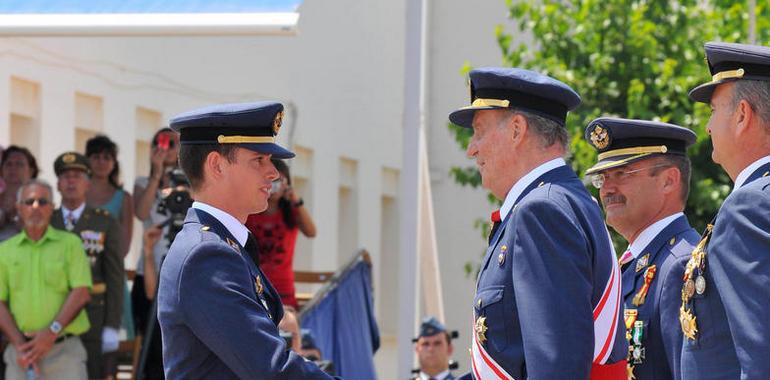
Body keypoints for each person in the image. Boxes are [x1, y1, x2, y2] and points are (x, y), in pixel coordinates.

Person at [448, 67, 626, 379]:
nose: (471, 148)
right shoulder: (558, 202)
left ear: (517, 129)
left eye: (479, 131)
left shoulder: (542, 212)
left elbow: (556, 367)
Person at [157, 101, 338, 379]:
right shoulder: (205, 256)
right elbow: (271, 368)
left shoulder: (223, 245)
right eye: (259, 160)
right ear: (216, 165)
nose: (273, 173)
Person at [679, 42, 770, 379]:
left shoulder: (750, 207)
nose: (708, 127)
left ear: (743, 114)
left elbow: (762, 357)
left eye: (713, 110)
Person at [584, 117, 699, 379]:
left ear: (669, 180)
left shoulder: (681, 264)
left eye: (623, 173)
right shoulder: (632, 265)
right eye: (602, 178)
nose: (608, 188)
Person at [0, 179, 92, 380]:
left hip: (64, 353)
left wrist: (50, 333)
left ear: (52, 208)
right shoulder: (4, 251)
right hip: (20, 354)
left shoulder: (71, 244)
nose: (36, 207)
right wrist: (22, 346)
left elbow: (81, 293)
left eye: (42, 202)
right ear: (18, 208)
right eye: (29, 202)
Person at [50, 152, 123, 380]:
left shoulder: (105, 221)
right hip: (52, 316)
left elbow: (114, 276)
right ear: (58, 184)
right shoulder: (46, 220)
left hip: (92, 317)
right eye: (66, 176)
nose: (71, 181)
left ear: (87, 183)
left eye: (77, 176)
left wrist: (112, 325)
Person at [131, 128, 180, 380]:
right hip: (148, 271)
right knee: (148, 342)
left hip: (179, 274)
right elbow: (140, 212)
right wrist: (156, 174)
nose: (166, 148)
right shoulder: (143, 182)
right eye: (160, 143)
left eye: (172, 143)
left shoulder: (188, 184)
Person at [85, 134, 135, 377]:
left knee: (109, 349)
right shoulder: (76, 194)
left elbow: (124, 247)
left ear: (114, 162)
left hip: (111, 279)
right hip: (77, 278)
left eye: (107, 157)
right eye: (95, 156)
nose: (101, 161)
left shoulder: (123, 198)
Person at [245, 158, 316, 309]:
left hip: (284, 292)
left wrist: (295, 199)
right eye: (271, 180)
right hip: (255, 289)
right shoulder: (250, 212)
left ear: (287, 184)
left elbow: (311, 232)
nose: (274, 186)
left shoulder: (291, 211)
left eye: (280, 181)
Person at [0, 146, 39, 242]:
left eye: (19, 164)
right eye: (9, 164)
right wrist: (4, 214)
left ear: (31, 171)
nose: (13, 168)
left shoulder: (41, 201)